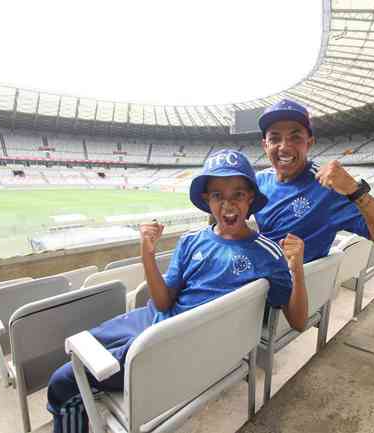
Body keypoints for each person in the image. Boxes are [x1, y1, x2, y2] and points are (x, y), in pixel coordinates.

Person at [46, 150, 308, 433]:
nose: (228, 204)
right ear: (207, 201)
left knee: (62, 382)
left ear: (251, 200)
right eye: (218, 195)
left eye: (238, 195)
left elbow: (298, 321)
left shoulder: (269, 254)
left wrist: (297, 269)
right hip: (153, 321)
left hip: (166, 348)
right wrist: (147, 253)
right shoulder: (191, 241)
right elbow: (161, 302)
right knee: (80, 347)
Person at [254, 99, 374, 263]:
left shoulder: (327, 188)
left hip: (295, 284)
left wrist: (354, 190)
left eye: (295, 138)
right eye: (275, 138)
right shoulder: (259, 181)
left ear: (309, 143)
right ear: (265, 145)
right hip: (257, 277)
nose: (284, 147)